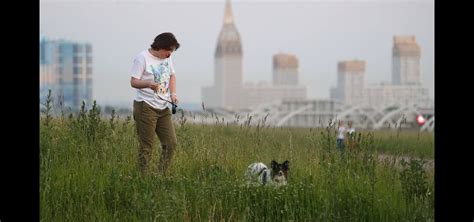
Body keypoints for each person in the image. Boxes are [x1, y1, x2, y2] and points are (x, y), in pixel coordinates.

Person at [130, 32, 180, 177]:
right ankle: (142, 178)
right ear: (159, 47)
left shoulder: (167, 58)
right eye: (168, 50)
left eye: (172, 51)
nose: (170, 54)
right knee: (146, 147)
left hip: (163, 107)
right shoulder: (142, 58)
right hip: (145, 107)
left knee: (171, 144)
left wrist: (173, 94)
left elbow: (172, 75)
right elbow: (133, 82)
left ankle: (161, 176)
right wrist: (149, 84)